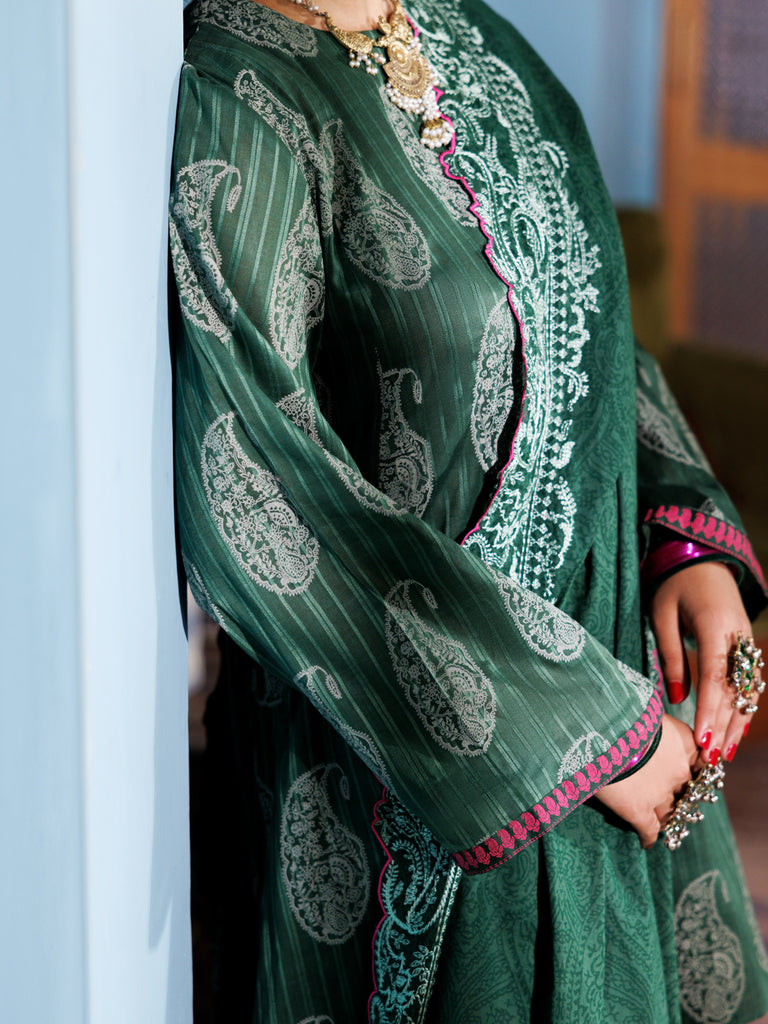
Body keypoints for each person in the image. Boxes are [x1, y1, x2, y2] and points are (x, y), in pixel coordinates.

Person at [169, 0, 768, 1020]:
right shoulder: (242, 96)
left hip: (616, 703)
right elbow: (255, 481)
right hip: (425, 780)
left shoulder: (470, 35)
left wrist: (685, 538)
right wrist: (589, 732)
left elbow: (580, 323)